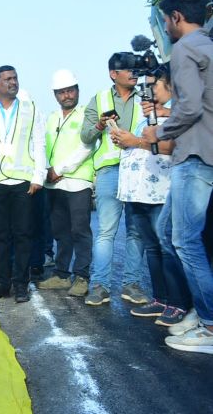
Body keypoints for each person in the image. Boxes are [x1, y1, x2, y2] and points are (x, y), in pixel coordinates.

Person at [142, 0, 213, 353]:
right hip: (202, 154)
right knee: (169, 231)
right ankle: (201, 313)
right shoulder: (209, 45)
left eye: (166, 21)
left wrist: (158, 131)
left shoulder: (185, 49)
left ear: (175, 18)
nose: (166, 27)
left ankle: (210, 324)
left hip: (196, 154)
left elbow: (189, 108)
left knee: (184, 240)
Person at [115, 65, 192, 326]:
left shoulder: (177, 116)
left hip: (161, 192)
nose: (146, 93)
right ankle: (160, 299)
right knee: (151, 248)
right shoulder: (146, 116)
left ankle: (179, 302)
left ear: (170, 86)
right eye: (144, 87)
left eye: (153, 86)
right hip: (139, 193)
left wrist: (135, 141)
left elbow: (173, 147)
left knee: (167, 247)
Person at [0, 66, 45, 303]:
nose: (13, 82)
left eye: (15, 78)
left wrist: (38, 177)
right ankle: (2, 282)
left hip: (22, 181)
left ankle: (21, 284)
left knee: (23, 234)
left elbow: (39, 144)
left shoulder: (30, 109)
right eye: (8, 79)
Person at [81, 53, 147, 306]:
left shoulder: (146, 97)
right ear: (113, 74)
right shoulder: (99, 100)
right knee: (106, 232)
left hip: (140, 169)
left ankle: (132, 284)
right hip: (111, 170)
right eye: (128, 69)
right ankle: (100, 285)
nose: (134, 73)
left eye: (136, 69)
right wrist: (99, 125)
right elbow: (86, 136)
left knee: (136, 231)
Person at [37, 70, 95, 297]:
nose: (67, 95)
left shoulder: (86, 115)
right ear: (55, 95)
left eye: (70, 90)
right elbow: (41, 147)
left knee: (80, 230)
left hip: (77, 181)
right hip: (53, 185)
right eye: (62, 92)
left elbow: (87, 147)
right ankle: (62, 275)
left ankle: (82, 277)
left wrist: (59, 170)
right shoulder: (50, 119)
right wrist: (46, 173)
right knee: (60, 231)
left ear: (78, 90)